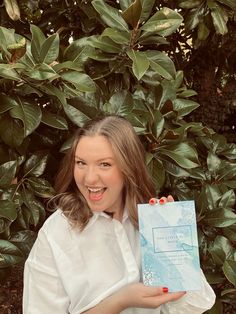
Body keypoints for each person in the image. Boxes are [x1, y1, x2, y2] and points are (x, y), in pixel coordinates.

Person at [23, 115, 215, 314]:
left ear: (128, 167)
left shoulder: (151, 220)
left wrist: (172, 243)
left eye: (104, 164)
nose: (89, 178)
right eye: (81, 163)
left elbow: (193, 306)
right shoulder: (56, 234)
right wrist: (120, 301)